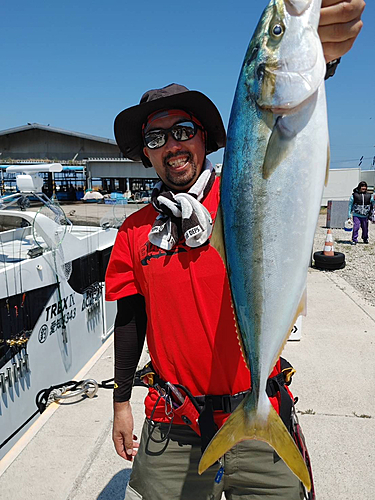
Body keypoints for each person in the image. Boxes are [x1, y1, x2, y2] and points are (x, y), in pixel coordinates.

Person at [105, 2, 365, 499]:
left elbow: (286, 160)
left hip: (261, 405)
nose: (172, 145)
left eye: (183, 131)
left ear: (204, 139)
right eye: (156, 137)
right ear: (146, 153)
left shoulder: (240, 198)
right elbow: (130, 318)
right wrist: (120, 402)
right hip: (173, 425)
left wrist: (321, 58)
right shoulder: (135, 231)